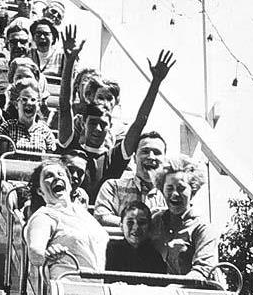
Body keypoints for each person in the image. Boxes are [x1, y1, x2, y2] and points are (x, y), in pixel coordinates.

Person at [58, 25, 176, 201]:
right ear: (83, 123)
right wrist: (69, 61)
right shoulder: (71, 145)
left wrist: (156, 82)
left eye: (103, 125)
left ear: (110, 127)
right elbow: (64, 107)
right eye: (93, 123)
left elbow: (139, 122)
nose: (98, 129)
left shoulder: (114, 158)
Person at [25, 160, 108, 280]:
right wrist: (49, 254)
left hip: (95, 289)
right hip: (65, 289)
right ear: (39, 190)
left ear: (69, 184)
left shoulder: (82, 212)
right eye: (49, 176)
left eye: (60, 174)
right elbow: (35, 252)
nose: (56, 178)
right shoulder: (44, 216)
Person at [151, 156, 219, 280]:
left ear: (192, 190)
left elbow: (203, 271)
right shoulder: (155, 220)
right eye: (169, 188)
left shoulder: (202, 227)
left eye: (181, 188)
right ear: (162, 190)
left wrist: (171, 291)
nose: (175, 194)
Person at [94, 131, 167, 226]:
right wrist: (139, 224)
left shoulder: (169, 193)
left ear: (164, 160)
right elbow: (101, 217)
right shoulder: (113, 187)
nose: (151, 157)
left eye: (157, 153)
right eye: (145, 151)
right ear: (134, 158)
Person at [106, 201, 167, 283]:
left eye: (142, 223)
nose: (136, 227)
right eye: (130, 222)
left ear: (149, 226)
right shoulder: (110, 251)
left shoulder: (155, 256)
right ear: (121, 226)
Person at [0, 78, 56, 153]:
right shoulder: (7, 128)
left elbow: (48, 160)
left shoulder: (45, 131)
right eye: (24, 99)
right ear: (16, 104)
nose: (29, 103)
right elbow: (1, 159)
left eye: (33, 100)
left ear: (38, 105)